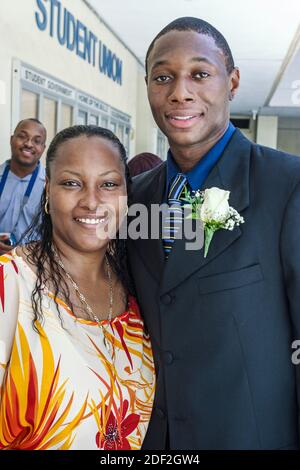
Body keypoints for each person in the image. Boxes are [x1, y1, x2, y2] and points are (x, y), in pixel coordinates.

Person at [127, 17, 300, 449]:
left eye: (200, 74)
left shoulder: (287, 185)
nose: (180, 92)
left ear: (233, 81)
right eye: (162, 77)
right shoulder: (133, 198)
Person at [0, 125, 155, 450]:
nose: (91, 200)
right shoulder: (11, 283)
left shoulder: (139, 285)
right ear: (47, 193)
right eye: (72, 183)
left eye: (109, 184)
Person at [0, 118, 47, 255]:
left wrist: (25, 251)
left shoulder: (49, 186)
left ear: (43, 149)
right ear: (11, 139)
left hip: (30, 264)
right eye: (22, 137)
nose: (28, 144)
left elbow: (56, 234)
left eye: (36, 141)